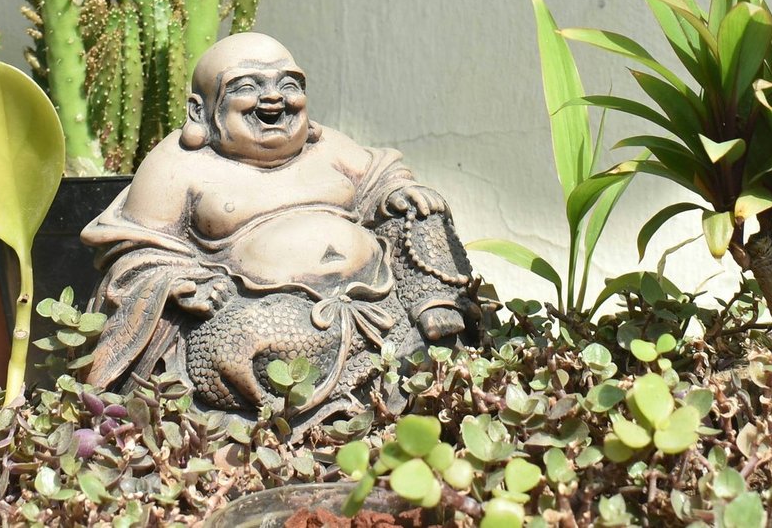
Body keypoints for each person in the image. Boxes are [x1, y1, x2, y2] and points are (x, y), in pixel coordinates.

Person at [81, 32, 479, 426]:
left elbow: (380, 174)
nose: (273, 98)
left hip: (377, 285)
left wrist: (397, 191)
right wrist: (186, 282)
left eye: (288, 85)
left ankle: (433, 309)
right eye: (247, 87)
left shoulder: (327, 146)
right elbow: (136, 246)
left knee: (423, 212)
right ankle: (337, 390)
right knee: (237, 344)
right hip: (266, 307)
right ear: (199, 112)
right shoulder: (177, 165)